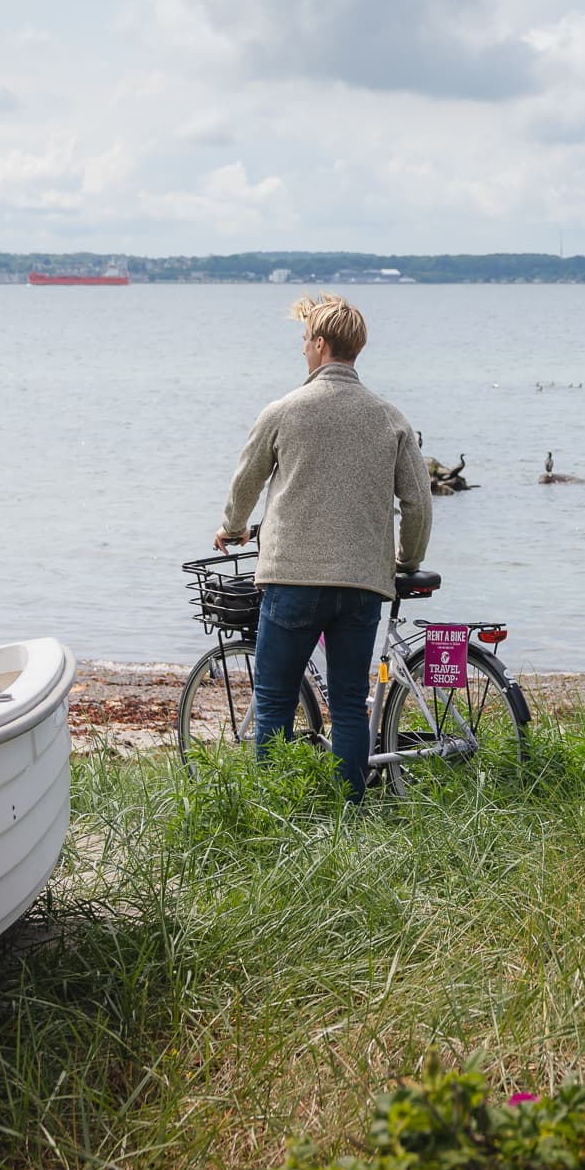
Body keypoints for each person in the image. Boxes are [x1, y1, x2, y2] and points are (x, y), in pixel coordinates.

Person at [217, 294, 432, 802]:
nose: (302, 351)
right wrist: (407, 560)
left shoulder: (283, 411)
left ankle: (279, 811)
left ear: (318, 345)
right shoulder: (389, 418)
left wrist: (231, 527)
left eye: (304, 343)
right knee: (351, 704)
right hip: (362, 584)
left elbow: (245, 483)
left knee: (272, 702)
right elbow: (418, 504)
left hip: (292, 577)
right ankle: (349, 814)